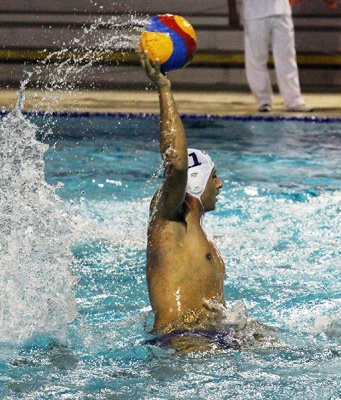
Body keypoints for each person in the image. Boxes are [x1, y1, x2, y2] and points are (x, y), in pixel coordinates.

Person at [140, 52, 228, 348]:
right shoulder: (171, 215)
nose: (220, 184)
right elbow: (176, 162)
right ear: (197, 179)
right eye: (214, 176)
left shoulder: (197, 227)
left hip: (215, 335)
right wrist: (164, 88)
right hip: (183, 339)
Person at [239, 0, 334, 112]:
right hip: (255, 13)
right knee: (256, 58)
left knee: (287, 57)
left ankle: (293, 101)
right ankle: (263, 100)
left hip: (282, 10)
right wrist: (232, 12)